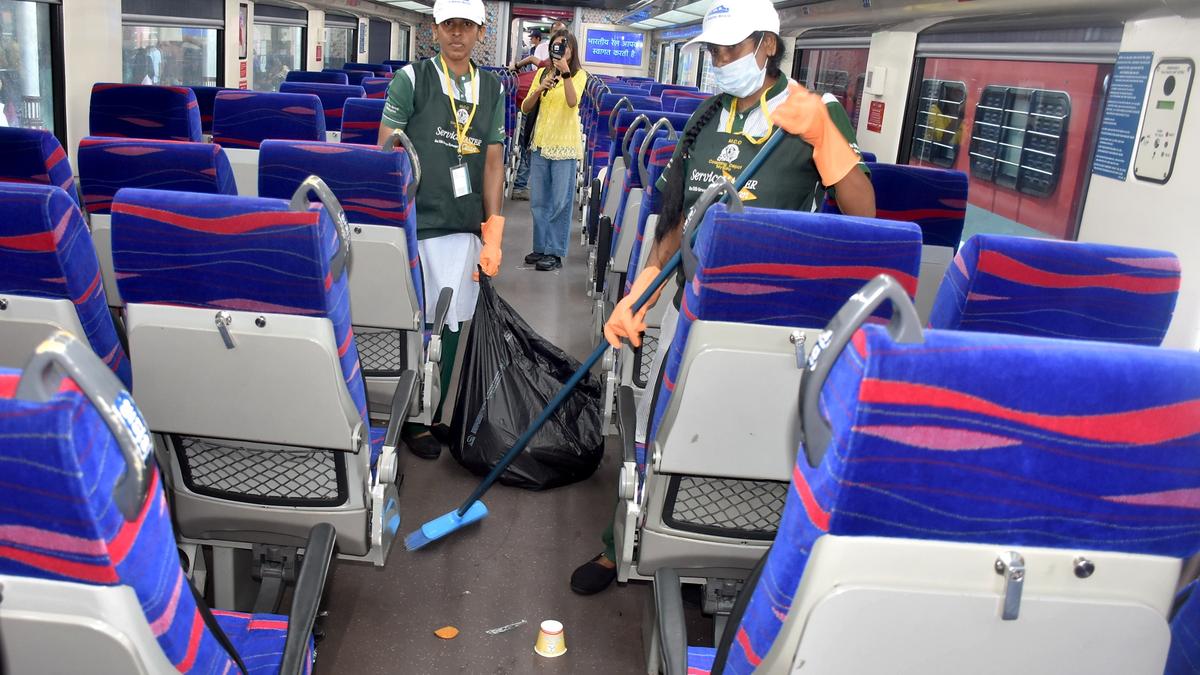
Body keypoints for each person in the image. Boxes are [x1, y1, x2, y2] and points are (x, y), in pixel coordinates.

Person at [569, 0, 875, 595]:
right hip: (697, 307)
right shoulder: (706, 117)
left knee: (764, 446)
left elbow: (866, 217)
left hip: (784, 324)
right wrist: (638, 293)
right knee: (664, 427)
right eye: (713, 50)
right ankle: (619, 545)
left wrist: (825, 141)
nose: (721, 61)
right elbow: (677, 218)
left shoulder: (816, 112)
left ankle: (763, 567)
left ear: (767, 45)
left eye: (732, 49)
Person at [378, 0, 506, 459]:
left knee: (452, 324)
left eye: (466, 26)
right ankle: (407, 414)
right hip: (415, 222)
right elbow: (388, 149)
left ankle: (430, 413)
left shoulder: (491, 89)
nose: (457, 34)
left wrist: (494, 227)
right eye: (449, 24)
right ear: (435, 29)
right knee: (412, 322)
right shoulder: (412, 80)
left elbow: (493, 163)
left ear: (480, 32)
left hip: (461, 225)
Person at [520, 30, 586, 272]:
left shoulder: (579, 75)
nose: (559, 51)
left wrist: (566, 73)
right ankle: (540, 247)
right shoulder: (540, 74)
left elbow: (572, 102)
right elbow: (526, 108)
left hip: (565, 147)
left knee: (560, 202)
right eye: (556, 47)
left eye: (564, 47)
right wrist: (539, 89)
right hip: (540, 143)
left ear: (572, 51)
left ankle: (555, 252)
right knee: (539, 201)